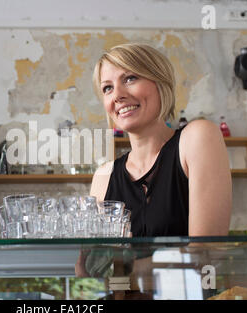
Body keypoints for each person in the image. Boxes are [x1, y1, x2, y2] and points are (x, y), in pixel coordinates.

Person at [90, 43, 232, 237]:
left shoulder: (198, 137)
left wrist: (129, 264)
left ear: (160, 82)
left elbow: (206, 253)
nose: (117, 95)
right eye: (107, 88)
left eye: (130, 78)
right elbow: (96, 262)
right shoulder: (103, 177)